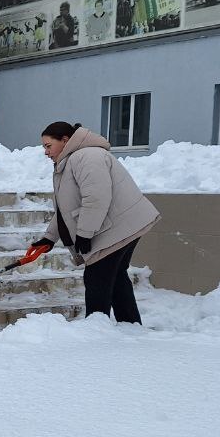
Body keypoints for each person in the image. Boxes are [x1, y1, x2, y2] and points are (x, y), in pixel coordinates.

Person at [29, 121, 160, 323]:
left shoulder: (87, 157)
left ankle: (96, 332)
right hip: (118, 225)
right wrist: (49, 238)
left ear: (65, 140)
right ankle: (130, 324)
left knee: (97, 278)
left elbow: (96, 198)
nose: (46, 152)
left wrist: (85, 232)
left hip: (118, 226)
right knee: (115, 277)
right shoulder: (72, 160)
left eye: (48, 146)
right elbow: (67, 208)